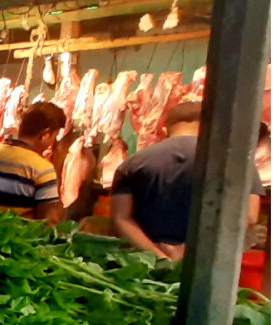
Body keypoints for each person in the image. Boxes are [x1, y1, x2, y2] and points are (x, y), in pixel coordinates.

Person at [111, 101, 264, 260]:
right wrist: (192, 251)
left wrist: (158, 256)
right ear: (208, 127)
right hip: (208, 262)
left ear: (165, 129)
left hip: (146, 266)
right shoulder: (236, 162)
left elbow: (121, 218)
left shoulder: (131, 163)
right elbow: (248, 216)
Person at [0, 102, 66, 224]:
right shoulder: (42, 168)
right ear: (45, 134)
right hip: (19, 239)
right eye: (54, 136)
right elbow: (47, 221)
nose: (53, 142)